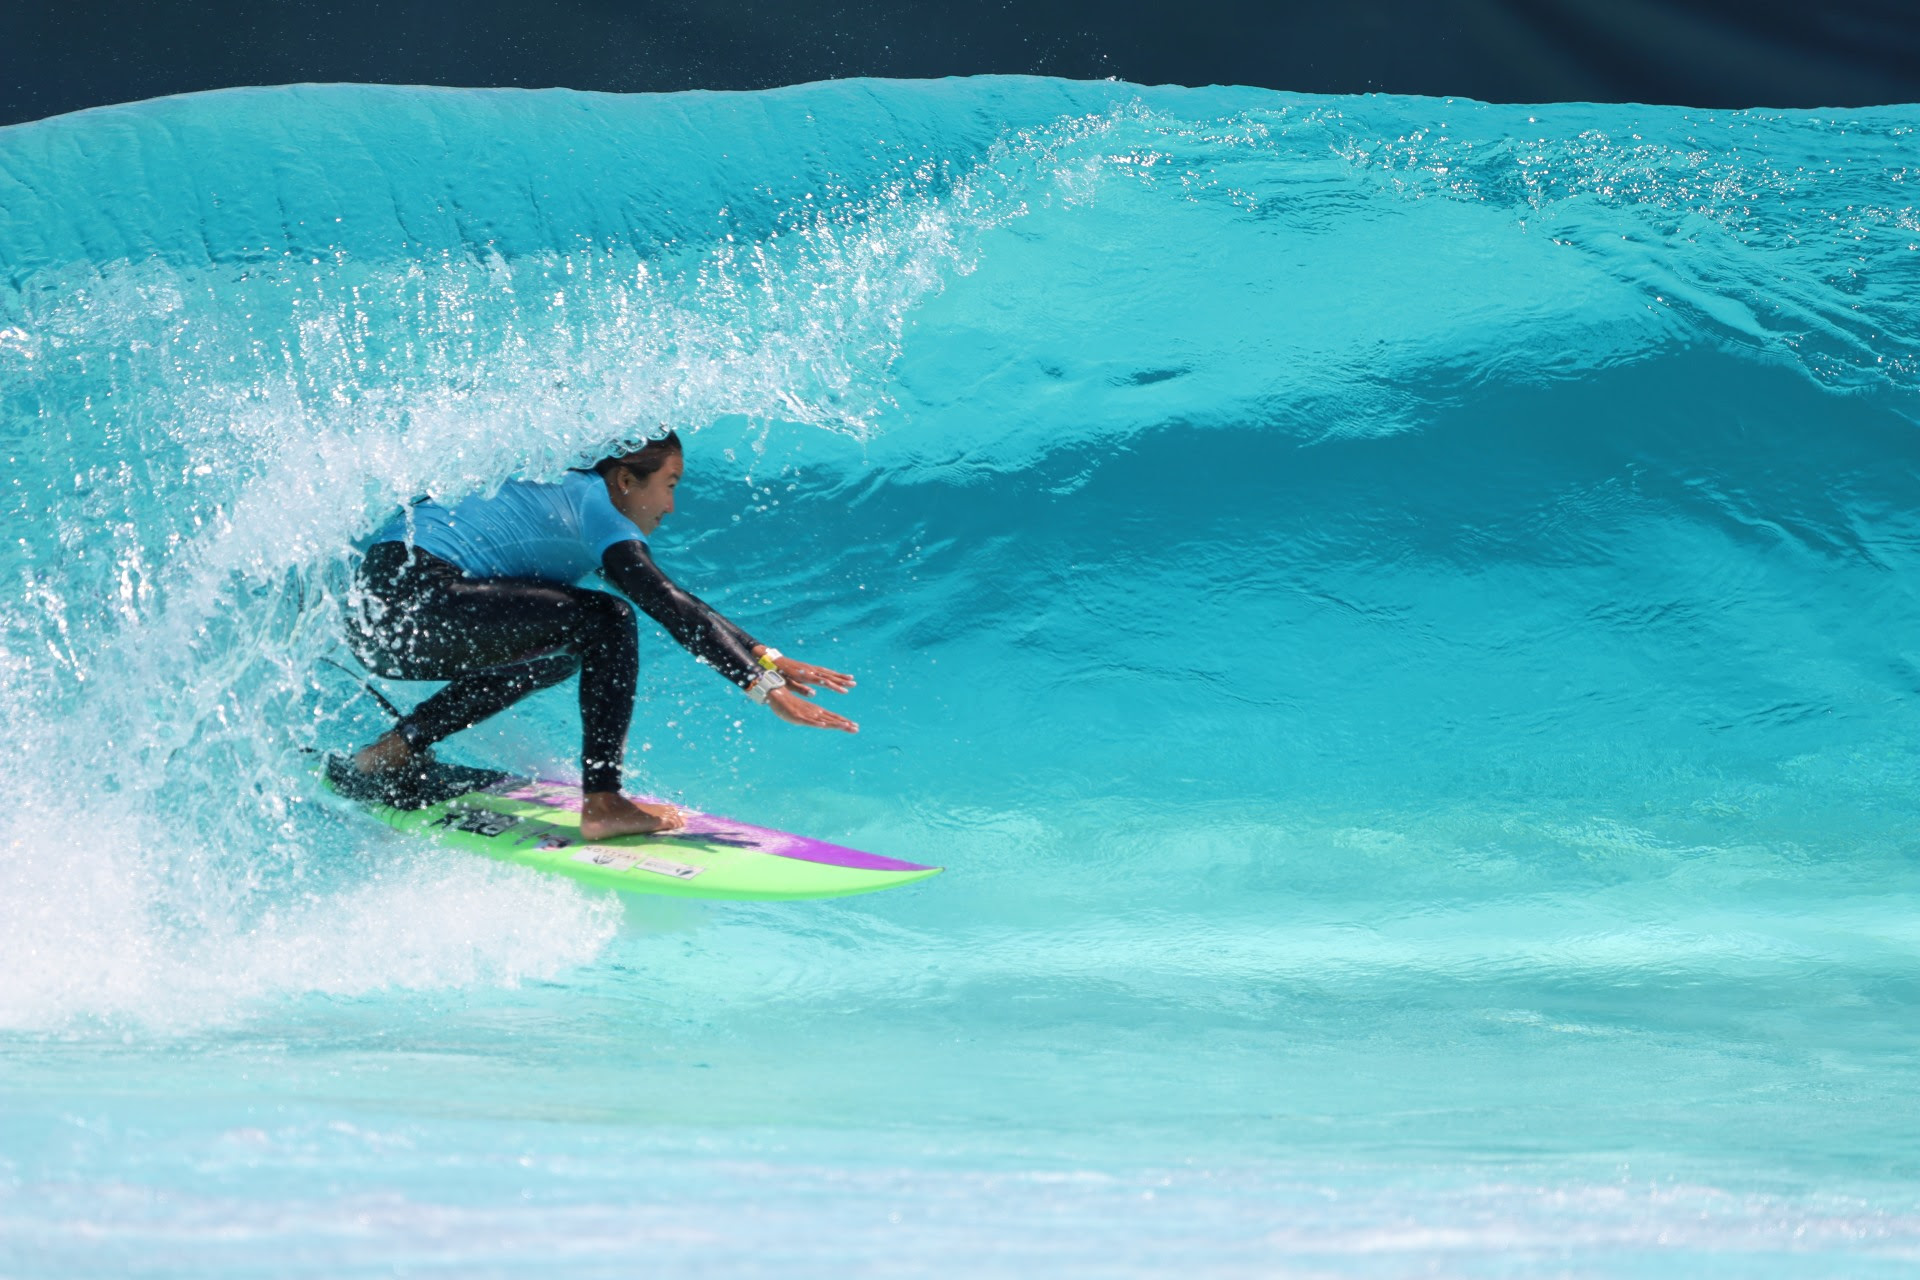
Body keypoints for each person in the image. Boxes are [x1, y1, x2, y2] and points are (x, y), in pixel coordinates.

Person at [343, 431, 856, 839]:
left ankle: (395, 749)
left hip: (380, 616)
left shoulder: (565, 497)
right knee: (606, 620)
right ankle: (604, 801)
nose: (672, 506)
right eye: (671, 484)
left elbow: (678, 601)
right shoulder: (597, 508)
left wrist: (765, 658)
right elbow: (666, 603)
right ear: (627, 481)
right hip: (414, 600)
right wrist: (764, 690)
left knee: (563, 648)